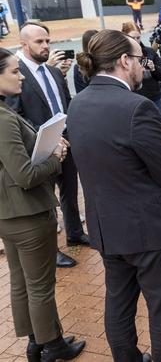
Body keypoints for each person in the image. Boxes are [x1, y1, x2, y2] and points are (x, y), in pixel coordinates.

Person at [69, 29, 161, 362]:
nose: (145, 66)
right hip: (151, 231)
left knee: (118, 304)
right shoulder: (137, 107)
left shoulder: (77, 103)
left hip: (106, 228)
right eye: (140, 59)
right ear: (123, 61)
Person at [0, 47, 86, 362]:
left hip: (9, 215)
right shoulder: (4, 120)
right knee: (39, 286)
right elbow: (24, 174)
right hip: (28, 215)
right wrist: (54, 158)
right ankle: (52, 346)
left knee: (22, 281)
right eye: (13, 71)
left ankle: (37, 343)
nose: (21, 75)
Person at [7, 22, 90, 269]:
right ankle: (51, 251)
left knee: (70, 192)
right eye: (39, 42)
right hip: (40, 150)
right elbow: (15, 116)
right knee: (47, 201)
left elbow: (65, 104)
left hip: (67, 144)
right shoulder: (16, 74)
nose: (46, 46)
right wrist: (48, 138)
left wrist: (71, 133)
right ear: (24, 44)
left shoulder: (53, 72)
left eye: (48, 41)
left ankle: (75, 233)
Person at [122, 22, 161, 117]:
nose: (136, 41)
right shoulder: (121, 56)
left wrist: (153, 68)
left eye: (138, 37)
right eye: (132, 38)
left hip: (153, 99)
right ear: (125, 37)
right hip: (132, 101)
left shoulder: (149, 52)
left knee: (157, 128)